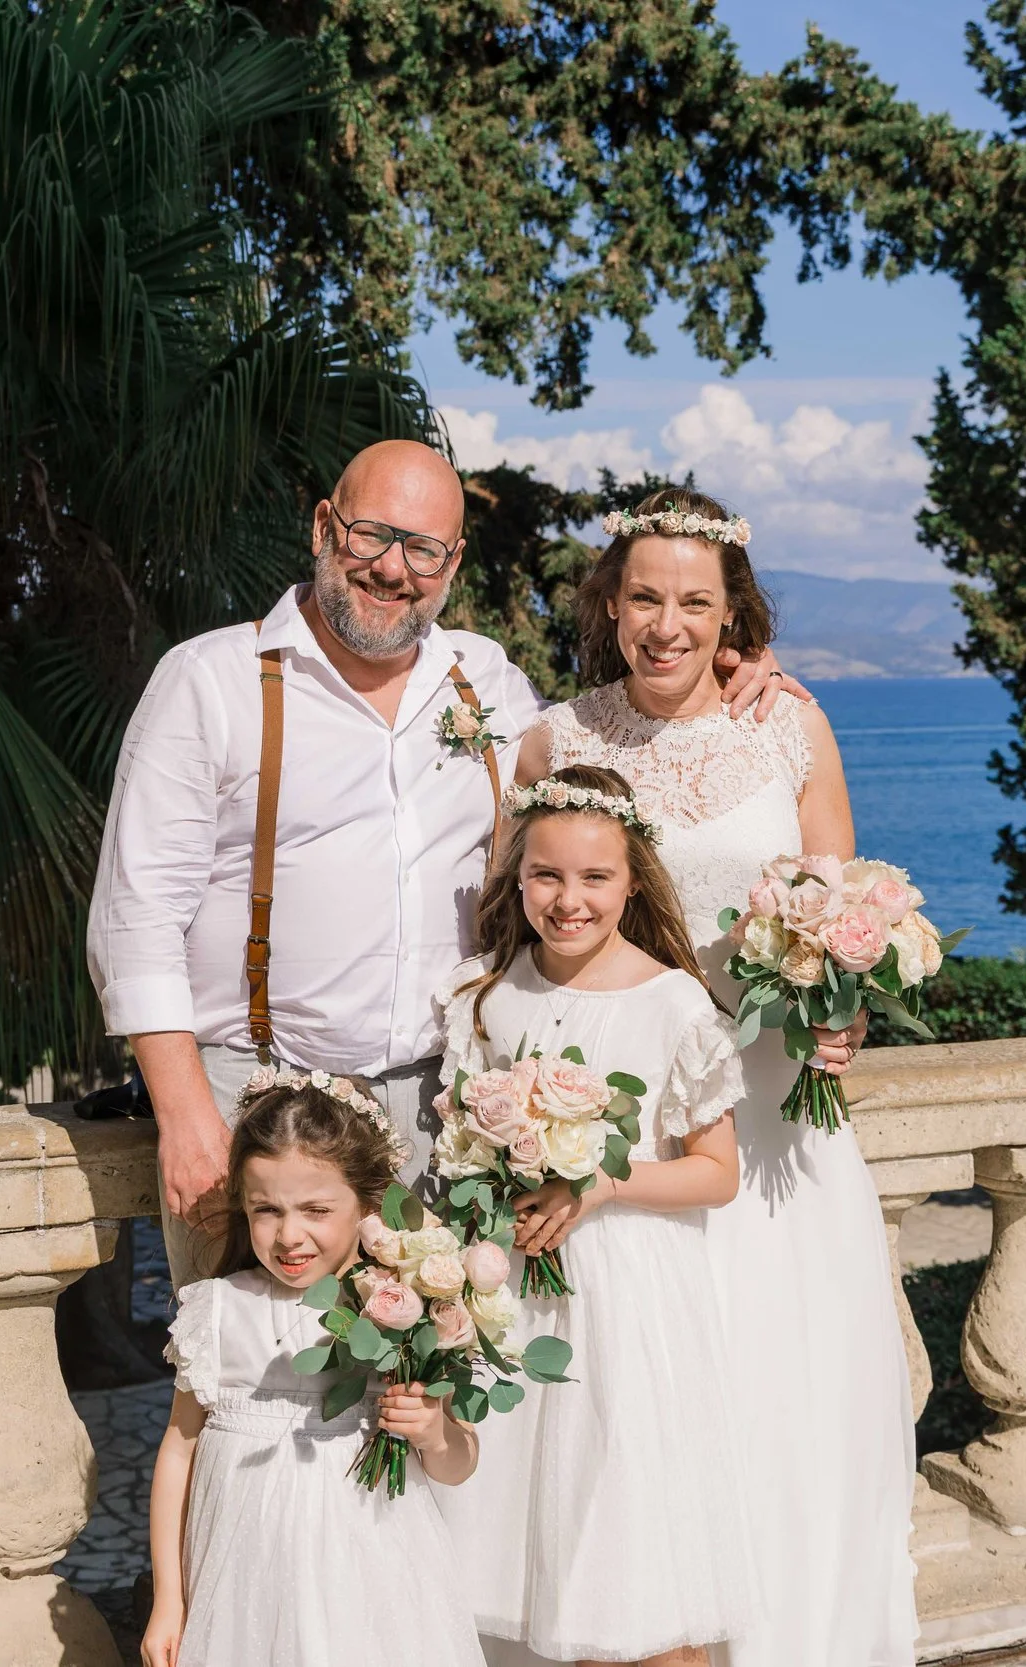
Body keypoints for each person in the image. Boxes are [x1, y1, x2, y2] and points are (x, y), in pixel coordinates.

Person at [86, 440, 805, 1291]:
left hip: (441, 1104)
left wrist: (733, 674)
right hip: (257, 1096)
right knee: (254, 1380)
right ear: (324, 527)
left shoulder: (486, 683)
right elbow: (134, 916)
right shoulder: (212, 681)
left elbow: (611, 759)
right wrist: (184, 1112)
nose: (394, 569)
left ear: (453, 562)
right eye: (371, 536)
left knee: (420, 1390)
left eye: (423, 548)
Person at [512, 489, 918, 1667]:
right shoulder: (553, 741)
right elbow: (519, 924)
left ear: (733, 611)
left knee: (782, 1393)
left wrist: (841, 1022)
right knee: (644, 1404)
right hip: (633, 1123)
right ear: (608, 601)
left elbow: (844, 915)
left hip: (777, 1110)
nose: (667, 622)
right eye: (644, 594)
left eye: (696, 599)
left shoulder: (790, 726)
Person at [433, 766, 754, 1667]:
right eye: (547, 876)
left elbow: (716, 1173)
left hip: (631, 1305)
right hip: (524, 1304)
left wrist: (602, 1185)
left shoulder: (674, 1003)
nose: (568, 899)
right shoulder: (490, 1001)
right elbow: (469, 1151)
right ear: (517, 879)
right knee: (539, 1540)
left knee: (633, 1548)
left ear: (632, 882)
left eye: (594, 878)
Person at [144, 1073, 483, 1667]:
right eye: (265, 1210)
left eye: (316, 1210)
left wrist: (432, 1431)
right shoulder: (218, 1309)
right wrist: (168, 1601)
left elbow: (457, 1465)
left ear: (369, 1205)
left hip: (368, 1579)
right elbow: (179, 1450)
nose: (289, 1235)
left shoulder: (406, 1309)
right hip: (242, 1580)